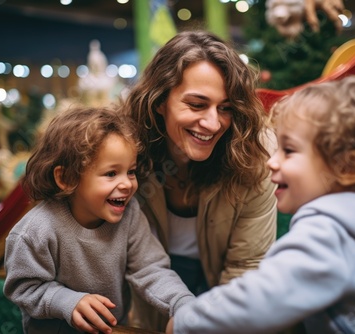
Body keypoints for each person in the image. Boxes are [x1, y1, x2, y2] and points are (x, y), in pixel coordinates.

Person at [166, 76, 355, 334]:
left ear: (348, 167)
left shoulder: (326, 235)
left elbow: (260, 298)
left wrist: (185, 324)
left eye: (289, 150)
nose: (272, 161)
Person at [122, 30, 278, 330]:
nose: (213, 123)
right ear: (159, 100)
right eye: (196, 104)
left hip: (225, 296)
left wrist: (201, 323)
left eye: (226, 108)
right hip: (144, 302)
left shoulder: (256, 155)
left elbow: (246, 268)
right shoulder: (123, 153)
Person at [3, 106, 194, 334]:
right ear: (66, 178)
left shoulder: (130, 215)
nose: (127, 184)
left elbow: (151, 269)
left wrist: (182, 303)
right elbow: (23, 288)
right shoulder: (35, 230)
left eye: (130, 171)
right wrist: (67, 301)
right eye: (111, 173)